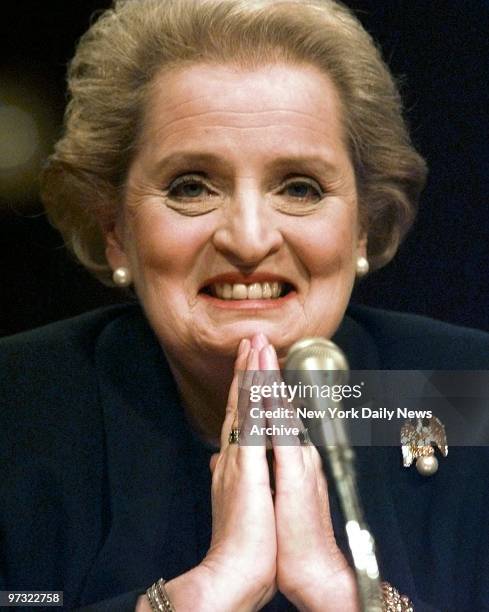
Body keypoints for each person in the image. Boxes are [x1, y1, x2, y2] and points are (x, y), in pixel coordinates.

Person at [1, 0, 488, 610]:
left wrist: (341, 593)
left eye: (300, 188)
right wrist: (207, 592)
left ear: (362, 226)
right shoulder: (14, 408)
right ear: (115, 229)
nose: (250, 239)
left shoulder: (468, 394)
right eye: (191, 187)